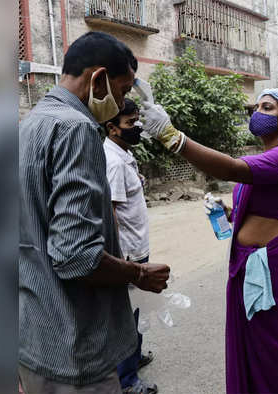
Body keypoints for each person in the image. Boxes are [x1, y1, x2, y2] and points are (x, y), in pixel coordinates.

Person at [139, 87, 278, 393]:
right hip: (246, 265)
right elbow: (262, 208)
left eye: (268, 108)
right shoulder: (262, 158)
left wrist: (172, 136)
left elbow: (231, 168)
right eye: (257, 107)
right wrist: (227, 211)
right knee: (254, 351)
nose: (258, 112)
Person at [19, 32, 170, 393]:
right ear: (99, 79)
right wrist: (137, 273)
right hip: (76, 346)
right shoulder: (77, 129)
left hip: (34, 334)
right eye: (122, 90)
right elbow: (76, 257)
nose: (121, 103)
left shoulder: (30, 124)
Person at [103, 98, 157, 394]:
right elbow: (109, 213)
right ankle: (127, 381)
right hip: (127, 251)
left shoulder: (123, 154)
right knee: (126, 316)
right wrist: (121, 258)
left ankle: (133, 359)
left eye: (137, 121)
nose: (136, 127)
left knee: (137, 310)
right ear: (112, 128)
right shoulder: (112, 161)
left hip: (136, 246)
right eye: (130, 123)